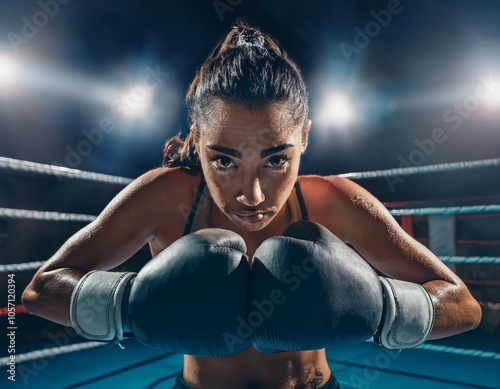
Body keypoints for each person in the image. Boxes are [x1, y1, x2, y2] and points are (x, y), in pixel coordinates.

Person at [22, 21, 482, 389]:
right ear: (198, 141)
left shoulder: (333, 201)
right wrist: (127, 305)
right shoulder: (165, 197)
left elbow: (463, 304)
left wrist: (382, 308)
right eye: (223, 160)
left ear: (304, 136)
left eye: (276, 159)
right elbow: (42, 289)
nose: (252, 195)